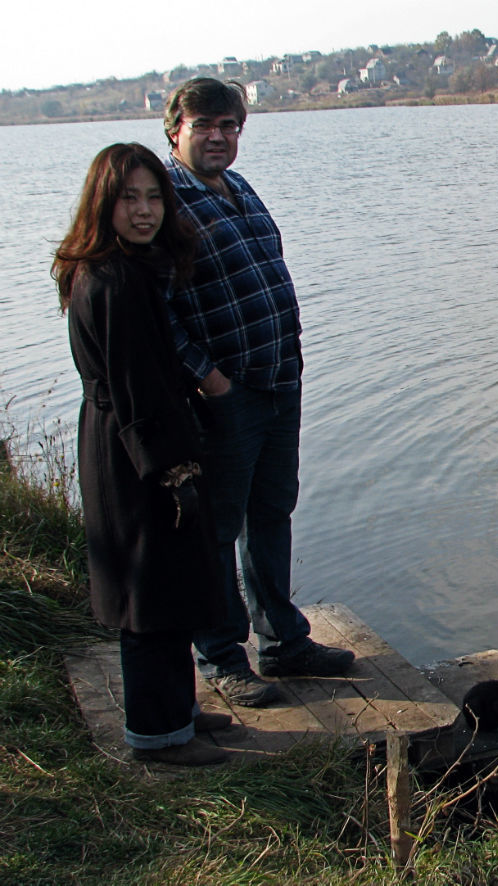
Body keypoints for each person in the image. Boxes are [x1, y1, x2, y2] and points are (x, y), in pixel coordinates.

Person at [162, 77, 353, 707]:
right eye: (204, 125)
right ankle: (221, 656)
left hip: (277, 383)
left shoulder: (236, 187)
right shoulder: (163, 200)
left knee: (272, 514)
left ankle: (283, 643)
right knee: (218, 528)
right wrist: (208, 378)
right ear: (175, 131)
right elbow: (160, 314)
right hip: (227, 396)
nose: (219, 136)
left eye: (230, 126)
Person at [54, 142, 233, 765]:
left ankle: (177, 710)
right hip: (134, 454)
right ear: (104, 203)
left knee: (172, 584)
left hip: (134, 442)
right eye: (129, 197)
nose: (144, 210)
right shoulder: (113, 280)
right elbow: (136, 389)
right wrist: (173, 470)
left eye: (154, 196)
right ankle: (157, 738)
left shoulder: (125, 268)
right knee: (149, 596)